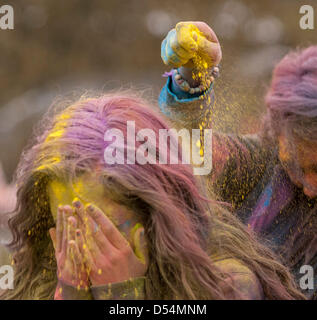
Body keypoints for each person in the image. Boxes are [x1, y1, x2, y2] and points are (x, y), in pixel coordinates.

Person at [0, 91, 304, 299]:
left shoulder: (229, 283)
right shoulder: (42, 273)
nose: (87, 253)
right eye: (69, 228)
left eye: (107, 229)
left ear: (159, 213)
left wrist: (121, 295)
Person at [159, 21, 317, 299]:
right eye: (300, 167)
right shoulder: (255, 163)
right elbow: (188, 153)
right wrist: (193, 78)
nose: (311, 187)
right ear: (276, 132)